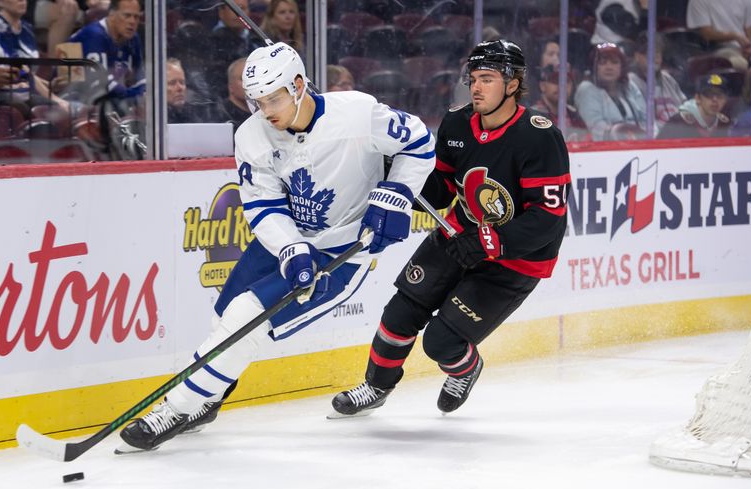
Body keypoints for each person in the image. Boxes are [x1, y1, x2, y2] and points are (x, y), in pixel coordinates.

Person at [118, 42, 436, 452]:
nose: (266, 110)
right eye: (257, 100)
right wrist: (290, 248)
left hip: (339, 252)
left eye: (273, 98)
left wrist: (396, 192)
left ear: (299, 85)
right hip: (283, 241)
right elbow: (262, 204)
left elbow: (419, 142)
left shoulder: (356, 113)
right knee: (223, 317)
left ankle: (175, 409)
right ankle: (208, 401)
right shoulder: (252, 134)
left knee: (246, 318)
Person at [331, 40, 570, 417]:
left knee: (441, 342)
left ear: (512, 84)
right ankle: (376, 387)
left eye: (487, 79)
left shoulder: (539, 136)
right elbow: (440, 189)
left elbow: (548, 218)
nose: (475, 87)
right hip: (458, 234)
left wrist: (493, 241)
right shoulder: (458, 123)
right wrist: (397, 177)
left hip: (516, 258)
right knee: (400, 314)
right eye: (473, 78)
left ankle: (466, 368)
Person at [66, 0, 144, 98]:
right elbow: (101, 84)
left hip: (108, 100)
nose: (132, 21)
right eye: (127, 15)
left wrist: (143, 91)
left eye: (136, 17)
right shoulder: (94, 35)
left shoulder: (132, 38)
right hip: (71, 97)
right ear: (111, 15)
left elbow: (140, 76)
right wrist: (135, 94)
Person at [574, 42, 647, 140]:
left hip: (640, 146)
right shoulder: (587, 89)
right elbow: (597, 129)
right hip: (604, 151)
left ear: (622, 67)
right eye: (603, 62)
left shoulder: (630, 86)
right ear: (594, 67)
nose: (609, 67)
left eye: (614, 62)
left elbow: (648, 121)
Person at [627, 32, 686, 128]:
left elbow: (684, 110)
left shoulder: (668, 79)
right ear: (637, 56)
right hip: (652, 139)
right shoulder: (630, 82)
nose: (656, 58)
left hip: (678, 136)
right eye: (650, 53)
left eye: (658, 52)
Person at [657, 73, 732, 139]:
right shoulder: (679, 122)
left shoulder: (725, 124)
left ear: (725, 99)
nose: (715, 99)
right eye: (709, 94)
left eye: (720, 95)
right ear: (698, 98)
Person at [687, 0, 751, 70]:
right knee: (739, 63)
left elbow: (750, 30)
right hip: (716, 49)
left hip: (744, 50)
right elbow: (707, 33)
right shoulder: (698, 2)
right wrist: (734, 36)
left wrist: (749, 48)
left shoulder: (748, 1)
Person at [531, 65, 590, 141]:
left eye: (566, 81)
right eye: (555, 81)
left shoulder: (574, 114)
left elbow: (587, 140)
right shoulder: (532, 115)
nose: (562, 86)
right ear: (542, 86)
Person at [166, 58, 221, 124]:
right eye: (172, 83)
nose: (180, 88)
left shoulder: (192, 114)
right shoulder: (155, 119)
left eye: (182, 82)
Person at [217, 56, 252, 131]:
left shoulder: (267, 114)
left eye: (252, 78)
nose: (250, 83)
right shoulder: (218, 116)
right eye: (243, 79)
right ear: (230, 85)